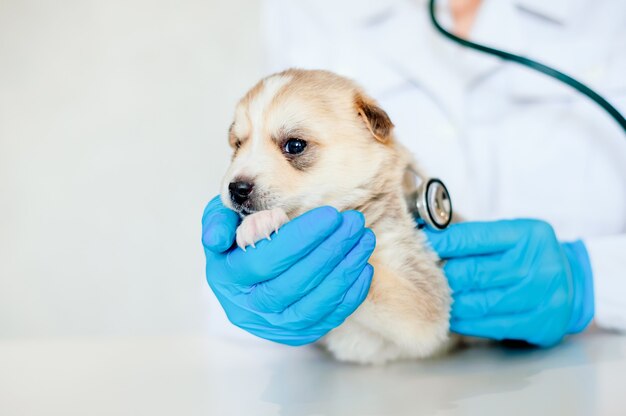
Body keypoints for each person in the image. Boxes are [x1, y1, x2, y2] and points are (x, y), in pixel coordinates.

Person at [202, 0, 626, 347]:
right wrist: (257, 287)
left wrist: (591, 280)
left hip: (594, 358)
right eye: (236, 143)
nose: (242, 168)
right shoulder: (311, 10)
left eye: (294, 147)